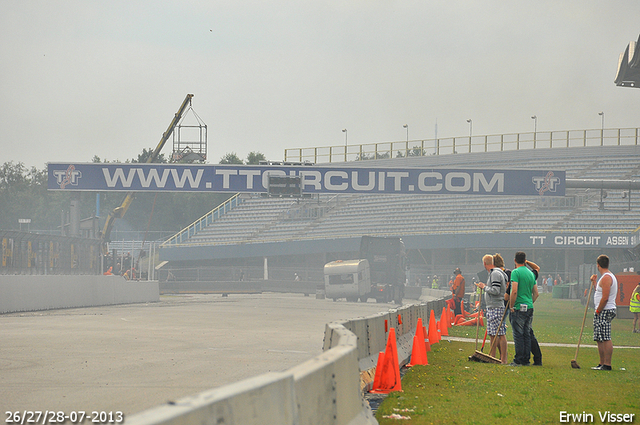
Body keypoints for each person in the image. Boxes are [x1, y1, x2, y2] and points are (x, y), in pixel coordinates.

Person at [475, 255, 508, 364]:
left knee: (500, 333)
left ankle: (503, 359)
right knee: (492, 333)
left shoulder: (495, 274)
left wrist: (484, 287)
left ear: (485, 263)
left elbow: (495, 290)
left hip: (496, 306)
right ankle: (492, 357)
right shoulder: (495, 273)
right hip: (492, 306)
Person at [508, 251, 538, 366]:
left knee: (518, 334)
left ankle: (518, 359)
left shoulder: (515, 272)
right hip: (529, 307)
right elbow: (536, 293)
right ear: (525, 261)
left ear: (515, 260)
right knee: (526, 334)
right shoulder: (531, 274)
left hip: (518, 307)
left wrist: (511, 305)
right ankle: (526, 359)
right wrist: (530, 302)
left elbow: (514, 290)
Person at [590, 254, 618, 371]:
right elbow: (600, 291)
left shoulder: (607, 277)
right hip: (602, 310)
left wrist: (598, 310)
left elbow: (605, 297)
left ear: (598, 265)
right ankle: (601, 363)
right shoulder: (604, 277)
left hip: (605, 310)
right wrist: (594, 282)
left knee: (605, 337)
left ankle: (607, 364)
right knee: (599, 337)